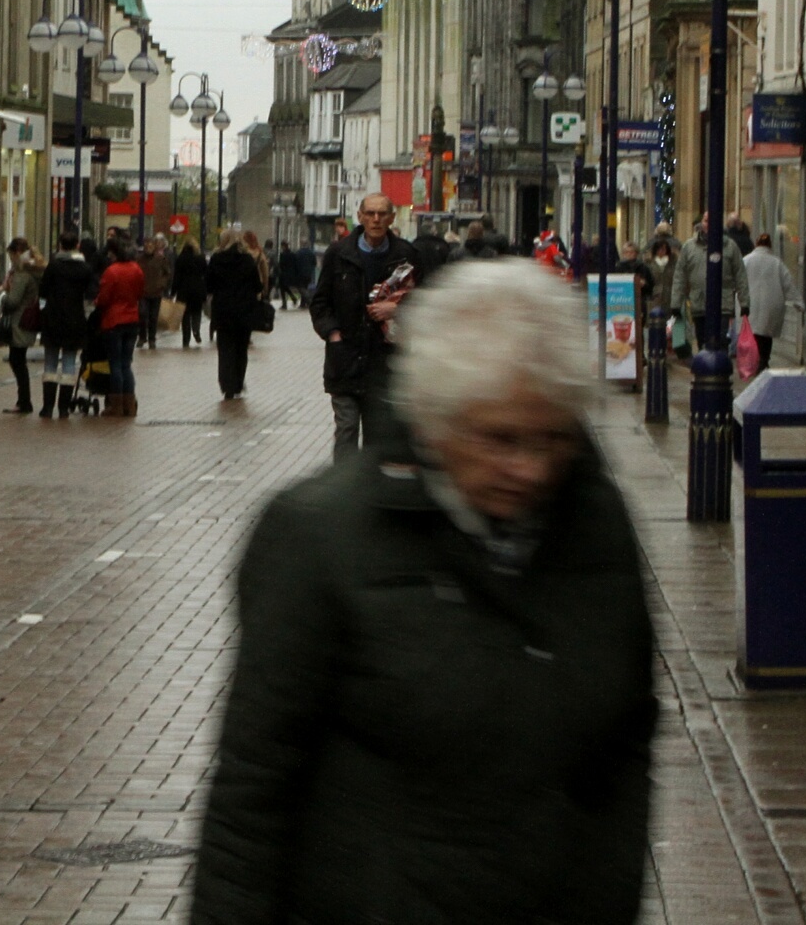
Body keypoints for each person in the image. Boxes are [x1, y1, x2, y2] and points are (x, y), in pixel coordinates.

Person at [192, 260, 656, 923]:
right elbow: (249, 800)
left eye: (551, 438)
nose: (528, 468)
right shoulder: (319, 537)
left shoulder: (594, 527)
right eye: (499, 438)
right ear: (436, 419)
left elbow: (623, 744)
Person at [307, 194, 415, 458]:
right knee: (347, 427)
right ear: (360, 216)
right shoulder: (339, 254)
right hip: (345, 359)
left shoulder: (405, 255)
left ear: (391, 218)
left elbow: (425, 302)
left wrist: (397, 309)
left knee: (377, 435)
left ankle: (369, 491)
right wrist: (333, 334)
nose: (376, 219)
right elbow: (320, 303)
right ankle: (344, 490)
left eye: (382, 214)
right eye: (370, 213)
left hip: (384, 362)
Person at [36, 231, 98, 417]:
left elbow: (43, 291)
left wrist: (43, 310)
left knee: (51, 363)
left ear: (60, 245)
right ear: (77, 246)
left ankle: (47, 407)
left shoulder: (54, 266)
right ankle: (64, 408)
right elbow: (90, 295)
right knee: (70, 363)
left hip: (53, 318)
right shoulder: (85, 269)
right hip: (75, 320)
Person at [668, 214, 743, 359]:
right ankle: (705, 370)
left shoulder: (730, 246)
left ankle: (719, 371)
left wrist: (744, 302)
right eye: (706, 220)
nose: (709, 224)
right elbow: (680, 276)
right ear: (701, 223)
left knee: (720, 340)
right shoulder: (689, 247)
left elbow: (740, 274)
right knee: (703, 341)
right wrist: (676, 303)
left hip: (723, 303)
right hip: (699, 303)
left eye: (713, 220)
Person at [206, 228, 267, 402]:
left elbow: (209, 285)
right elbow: (257, 286)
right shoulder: (247, 260)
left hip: (223, 311)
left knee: (225, 349)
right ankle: (238, 382)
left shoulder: (216, 260)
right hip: (244, 311)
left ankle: (227, 386)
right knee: (241, 349)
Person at [93, 239, 146, 417]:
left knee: (115, 364)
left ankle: (115, 405)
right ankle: (129, 405)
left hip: (114, 320)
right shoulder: (136, 269)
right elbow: (140, 292)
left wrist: (97, 302)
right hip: (132, 318)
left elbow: (104, 298)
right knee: (126, 363)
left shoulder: (112, 271)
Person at [0, 239, 43, 414]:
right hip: (28, 321)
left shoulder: (22, 274)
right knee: (19, 361)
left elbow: (13, 301)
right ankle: (23, 401)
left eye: (11, 256)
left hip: (19, 322)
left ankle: (24, 402)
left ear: (16, 253)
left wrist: (2, 294)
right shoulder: (34, 270)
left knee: (17, 361)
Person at [741, 233, 796, 369]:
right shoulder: (777, 263)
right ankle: (764, 360)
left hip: (750, 302)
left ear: (756, 244)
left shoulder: (746, 260)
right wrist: (798, 301)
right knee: (766, 334)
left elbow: (739, 280)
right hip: (771, 303)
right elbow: (788, 283)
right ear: (770, 245)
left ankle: (754, 361)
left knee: (753, 333)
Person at [171, 235, 209, 349]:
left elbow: (176, 276)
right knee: (196, 312)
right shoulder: (200, 258)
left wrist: (173, 291)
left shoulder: (180, 258)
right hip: (198, 289)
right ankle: (196, 330)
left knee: (185, 315)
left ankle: (186, 338)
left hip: (184, 289)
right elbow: (206, 274)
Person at [139, 235, 173, 351]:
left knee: (153, 317)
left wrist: (162, 284)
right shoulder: (139, 259)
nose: (148, 247)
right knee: (142, 314)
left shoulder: (160, 259)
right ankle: (142, 336)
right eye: (146, 244)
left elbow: (167, 273)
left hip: (156, 292)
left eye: (151, 244)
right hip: (143, 292)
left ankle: (152, 339)